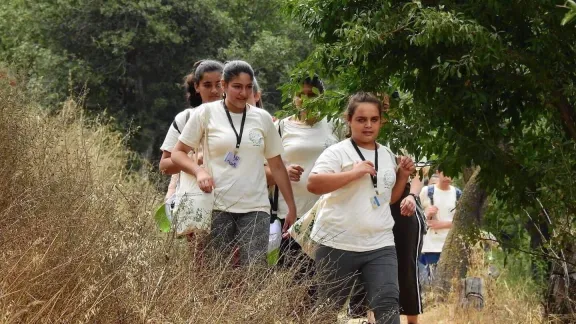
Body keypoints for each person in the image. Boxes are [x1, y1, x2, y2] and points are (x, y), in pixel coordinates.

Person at [171, 60, 297, 266]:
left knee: (255, 272)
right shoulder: (206, 113)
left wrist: (291, 207)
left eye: (248, 87)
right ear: (224, 85)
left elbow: (277, 166)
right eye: (237, 86)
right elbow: (178, 154)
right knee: (218, 273)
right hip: (217, 205)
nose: (243, 93)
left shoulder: (262, 118)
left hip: (256, 206)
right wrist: (199, 172)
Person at [307, 92, 415, 324]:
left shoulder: (386, 154)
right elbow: (313, 184)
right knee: (328, 309)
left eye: (374, 120)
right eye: (361, 119)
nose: (368, 125)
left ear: (380, 121)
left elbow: (388, 199)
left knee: (387, 303)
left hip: (380, 243)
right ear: (349, 120)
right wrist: (352, 173)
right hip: (337, 242)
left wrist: (403, 176)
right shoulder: (337, 152)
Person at [159, 60, 224, 218]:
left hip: (234, 202)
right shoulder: (185, 118)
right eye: (207, 85)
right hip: (195, 203)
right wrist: (193, 161)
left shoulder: (241, 118)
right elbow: (164, 166)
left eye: (219, 84)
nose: (214, 90)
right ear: (197, 87)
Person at [418, 167, 462, 284]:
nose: (448, 177)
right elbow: (415, 217)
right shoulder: (427, 192)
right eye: (445, 173)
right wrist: (427, 214)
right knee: (432, 283)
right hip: (431, 246)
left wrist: (441, 224)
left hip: (451, 245)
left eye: (451, 174)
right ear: (438, 172)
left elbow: (462, 223)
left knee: (451, 283)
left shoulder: (458, 194)